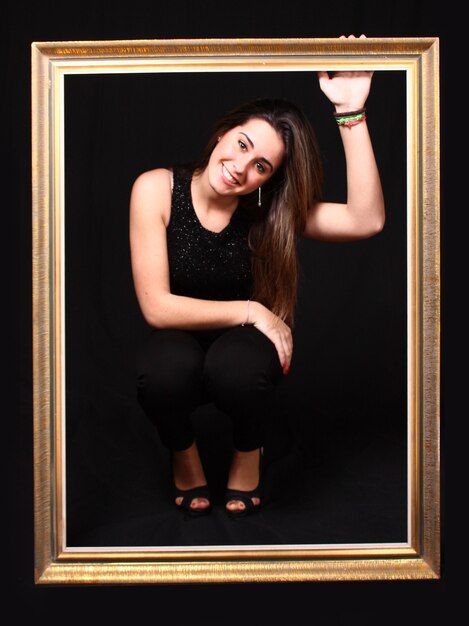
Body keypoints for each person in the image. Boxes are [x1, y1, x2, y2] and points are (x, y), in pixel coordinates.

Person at [129, 38, 385, 519]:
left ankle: (249, 449)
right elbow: (157, 308)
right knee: (160, 374)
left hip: (243, 347)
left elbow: (366, 220)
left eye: (261, 166)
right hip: (181, 333)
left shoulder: (271, 212)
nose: (241, 168)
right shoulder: (156, 188)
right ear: (225, 132)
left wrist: (352, 114)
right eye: (242, 145)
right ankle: (182, 451)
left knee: (238, 371)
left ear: (269, 178)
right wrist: (254, 310)